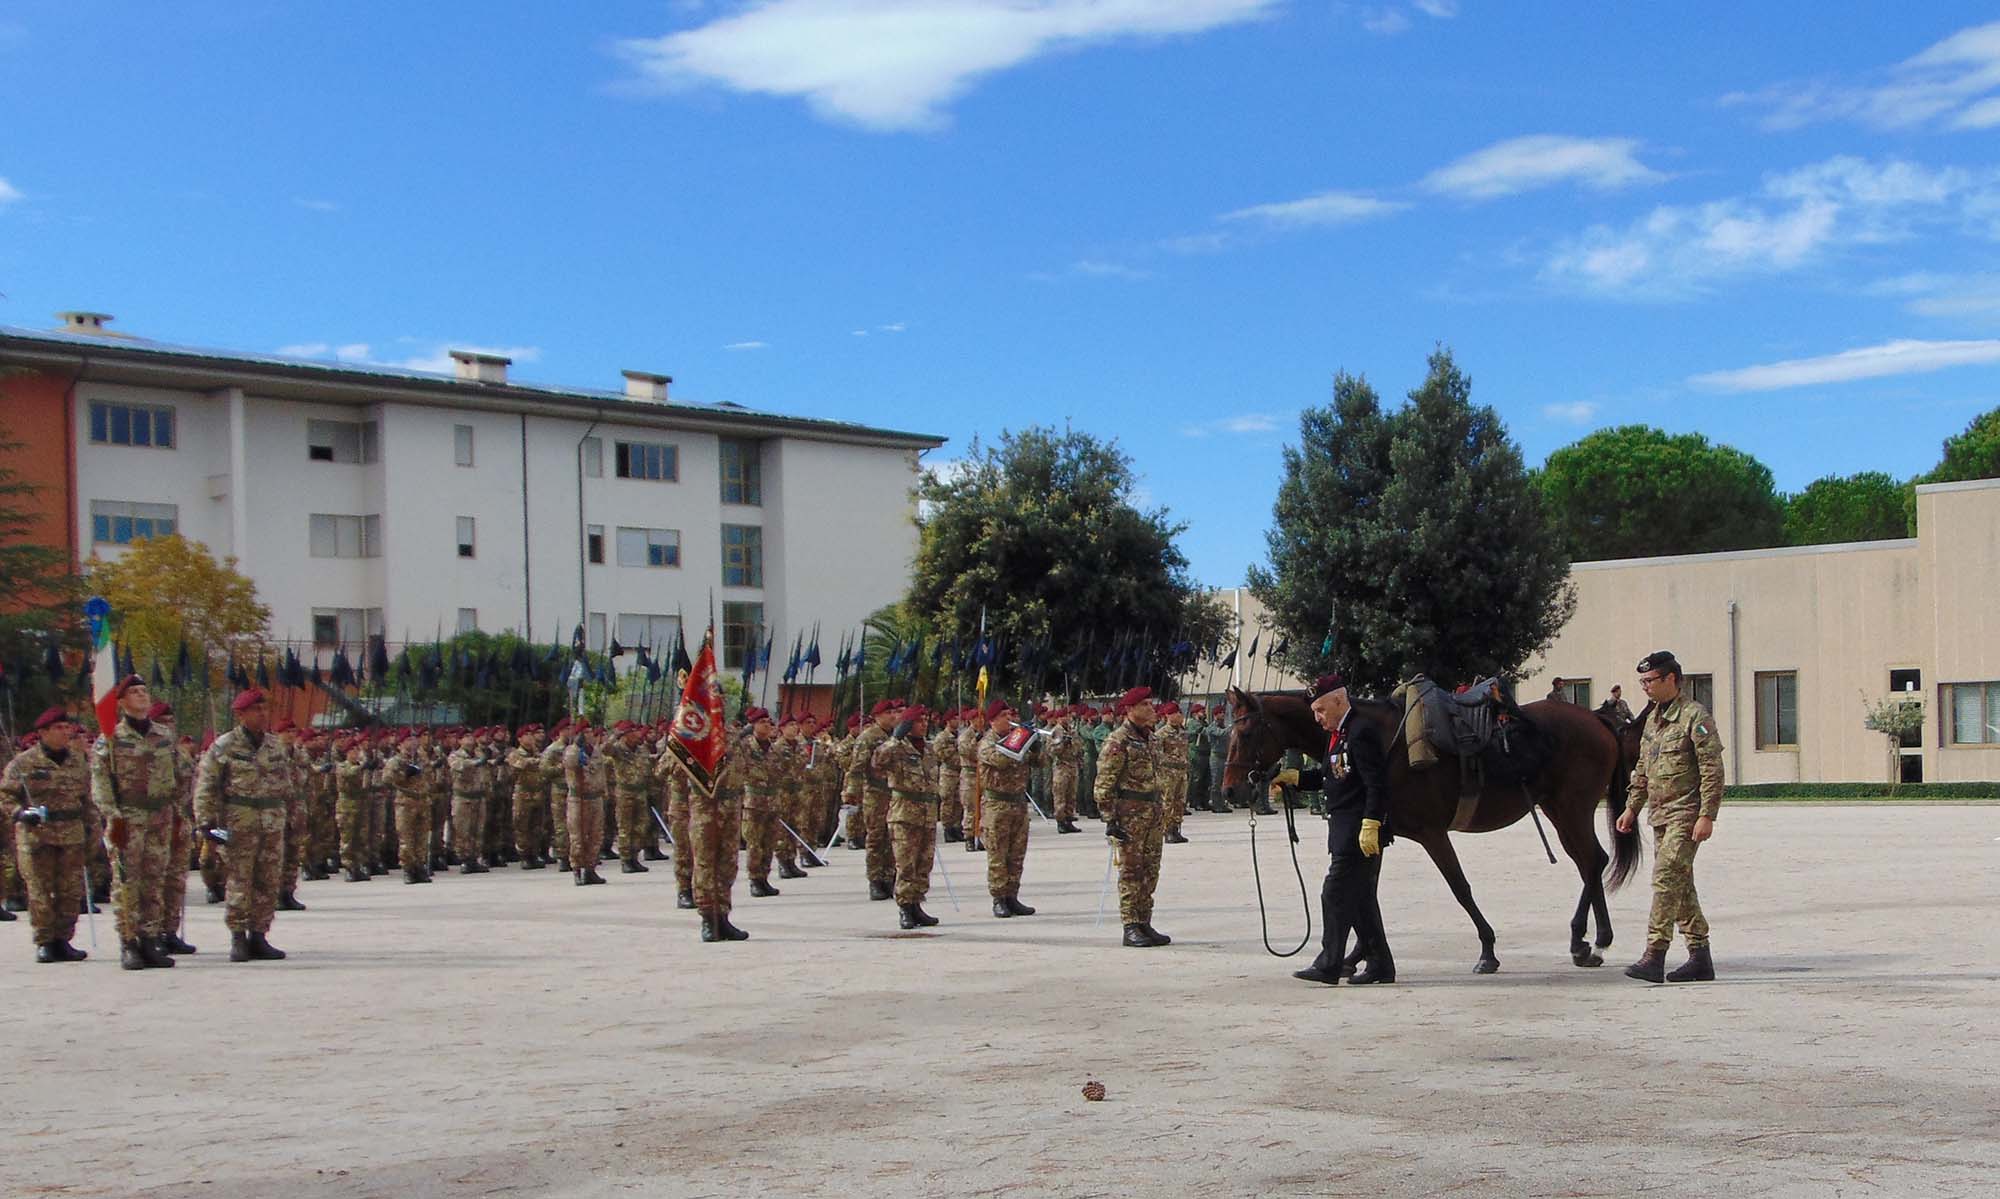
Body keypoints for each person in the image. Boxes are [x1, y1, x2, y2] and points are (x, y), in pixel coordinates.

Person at [1272, 674, 1394, 986]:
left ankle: (1329, 964)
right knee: (1361, 899)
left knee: (1334, 894)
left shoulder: (1361, 731)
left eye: (1321, 710)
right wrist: (1296, 778)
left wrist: (1372, 823)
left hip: (1359, 831)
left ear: (1339, 701)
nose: (1317, 718)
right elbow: (1334, 776)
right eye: (1314, 712)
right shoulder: (1339, 734)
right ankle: (1380, 964)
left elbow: (1376, 783)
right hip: (1344, 829)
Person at [1618, 650, 1724, 984]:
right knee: (1680, 884)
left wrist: (1707, 815)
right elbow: (1643, 769)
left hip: (1686, 815)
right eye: (1642, 681)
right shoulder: (1653, 719)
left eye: (1650, 681)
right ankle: (1700, 957)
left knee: (1665, 880)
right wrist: (1632, 807)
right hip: (1660, 815)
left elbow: (1712, 769)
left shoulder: (1695, 716)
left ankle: (1655, 954)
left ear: (1671, 680)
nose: (1645, 687)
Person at [89, 676, 189, 970]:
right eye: (134, 692)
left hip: (160, 817)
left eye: (144, 691)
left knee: (155, 880)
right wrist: (113, 815)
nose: (142, 696)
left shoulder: (165, 736)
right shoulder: (110, 739)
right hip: (128, 819)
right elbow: (100, 782)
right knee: (127, 883)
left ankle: (149, 939)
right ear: (121, 702)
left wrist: (178, 812)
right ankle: (129, 943)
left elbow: (182, 775)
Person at [194, 689, 294, 962]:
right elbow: (206, 786)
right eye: (256, 710)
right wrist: (206, 823)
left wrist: (291, 815)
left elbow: (286, 785)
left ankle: (259, 935)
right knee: (240, 880)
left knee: (268, 880)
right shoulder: (224, 746)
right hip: (240, 823)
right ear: (241, 714)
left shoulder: (275, 746)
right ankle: (238, 936)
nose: (263, 714)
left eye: (264, 709)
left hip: (271, 822)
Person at [1, 709, 96, 962]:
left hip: (71, 836)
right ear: (42, 733)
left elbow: (88, 800)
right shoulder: (22, 764)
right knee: (40, 891)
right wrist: (20, 813)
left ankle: (63, 939)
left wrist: (92, 831)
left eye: (67, 727)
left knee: (70, 891)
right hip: (37, 836)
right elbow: (5, 796)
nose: (65, 732)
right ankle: (44, 940)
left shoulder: (78, 762)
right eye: (58, 728)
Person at [1095, 687, 1171, 947]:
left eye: (1152, 704)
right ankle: (1130, 926)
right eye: (1146, 705)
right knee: (1131, 872)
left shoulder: (1151, 739)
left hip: (1152, 813)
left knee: (1151, 870)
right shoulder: (1118, 741)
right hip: (1129, 815)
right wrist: (1110, 820)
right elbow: (1104, 782)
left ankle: (1144, 921)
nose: (1152, 709)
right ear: (1130, 710)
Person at [875, 704, 942, 928]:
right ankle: (904, 907)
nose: (923, 725)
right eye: (918, 721)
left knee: (924, 864)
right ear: (907, 724)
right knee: (906, 864)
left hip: (927, 814)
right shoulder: (896, 748)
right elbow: (878, 762)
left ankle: (916, 905)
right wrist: (895, 738)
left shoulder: (930, 749)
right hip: (904, 814)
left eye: (925, 721)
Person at [976, 699, 1043, 918]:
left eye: (1010, 715)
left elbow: (1040, 763)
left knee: (1016, 854)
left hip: (1018, 803)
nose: (1010, 720)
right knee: (998, 853)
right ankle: (999, 898)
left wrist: (1036, 746)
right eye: (1005, 716)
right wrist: (1020, 737)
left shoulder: (1015, 740)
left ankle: (1012, 896)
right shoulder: (987, 742)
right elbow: (1001, 760)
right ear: (993, 720)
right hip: (997, 804)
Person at [845, 698, 902, 900]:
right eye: (889, 713)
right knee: (877, 837)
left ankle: (889, 876)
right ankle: (875, 880)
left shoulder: (897, 736)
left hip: (894, 794)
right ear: (877, 716)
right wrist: (852, 793)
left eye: (895, 712)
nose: (894, 716)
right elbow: (857, 767)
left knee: (892, 837)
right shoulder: (868, 737)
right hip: (875, 794)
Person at [563, 723, 611, 886]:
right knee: (578, 836)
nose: (589, 735)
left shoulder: (595, 751)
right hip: (579, 799)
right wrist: (577, 746)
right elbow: (570, 763)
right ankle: (577, 869)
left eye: (590, 731)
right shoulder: (572, 751)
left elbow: (601, 773)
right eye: (585, 732)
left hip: (595, 798)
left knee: (596, 835)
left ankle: (590, 869)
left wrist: (604, 792)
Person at [1154, 700, 1191, 844]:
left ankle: (1176, 828)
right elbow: (1157, 754)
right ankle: (1167, 830)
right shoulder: (1161, 734)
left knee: (1180, 802)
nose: (1179, 716)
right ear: (1168, 715)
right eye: (1176, 713)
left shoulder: (1183, 732)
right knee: (1167, 802)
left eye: (1179, 713)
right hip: (1168, 773)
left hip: (1182, 772)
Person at [1048, 706, 1083, 834]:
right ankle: (1060, 821)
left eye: (1068, 716)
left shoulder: (1072, 731)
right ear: (1058, 718)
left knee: (1071, 794)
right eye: (1064, 717)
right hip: (1061, 766)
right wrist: (1063, 743)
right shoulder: (1055, 732)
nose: (1066, 719)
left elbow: (1079, 745)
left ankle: (1069, 819)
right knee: (1060, 794)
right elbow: (1051, 751)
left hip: (1072, 765)